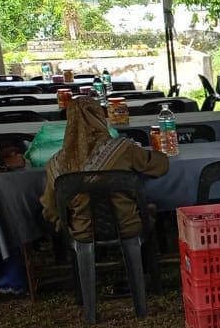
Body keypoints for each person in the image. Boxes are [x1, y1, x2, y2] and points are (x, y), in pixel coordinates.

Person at [42, 97, 169, 241]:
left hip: (82, 233)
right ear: (100, 117)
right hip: (129, 227)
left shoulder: (55, 164)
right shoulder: (122, 149)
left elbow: (50, 209)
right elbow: (160, 165)